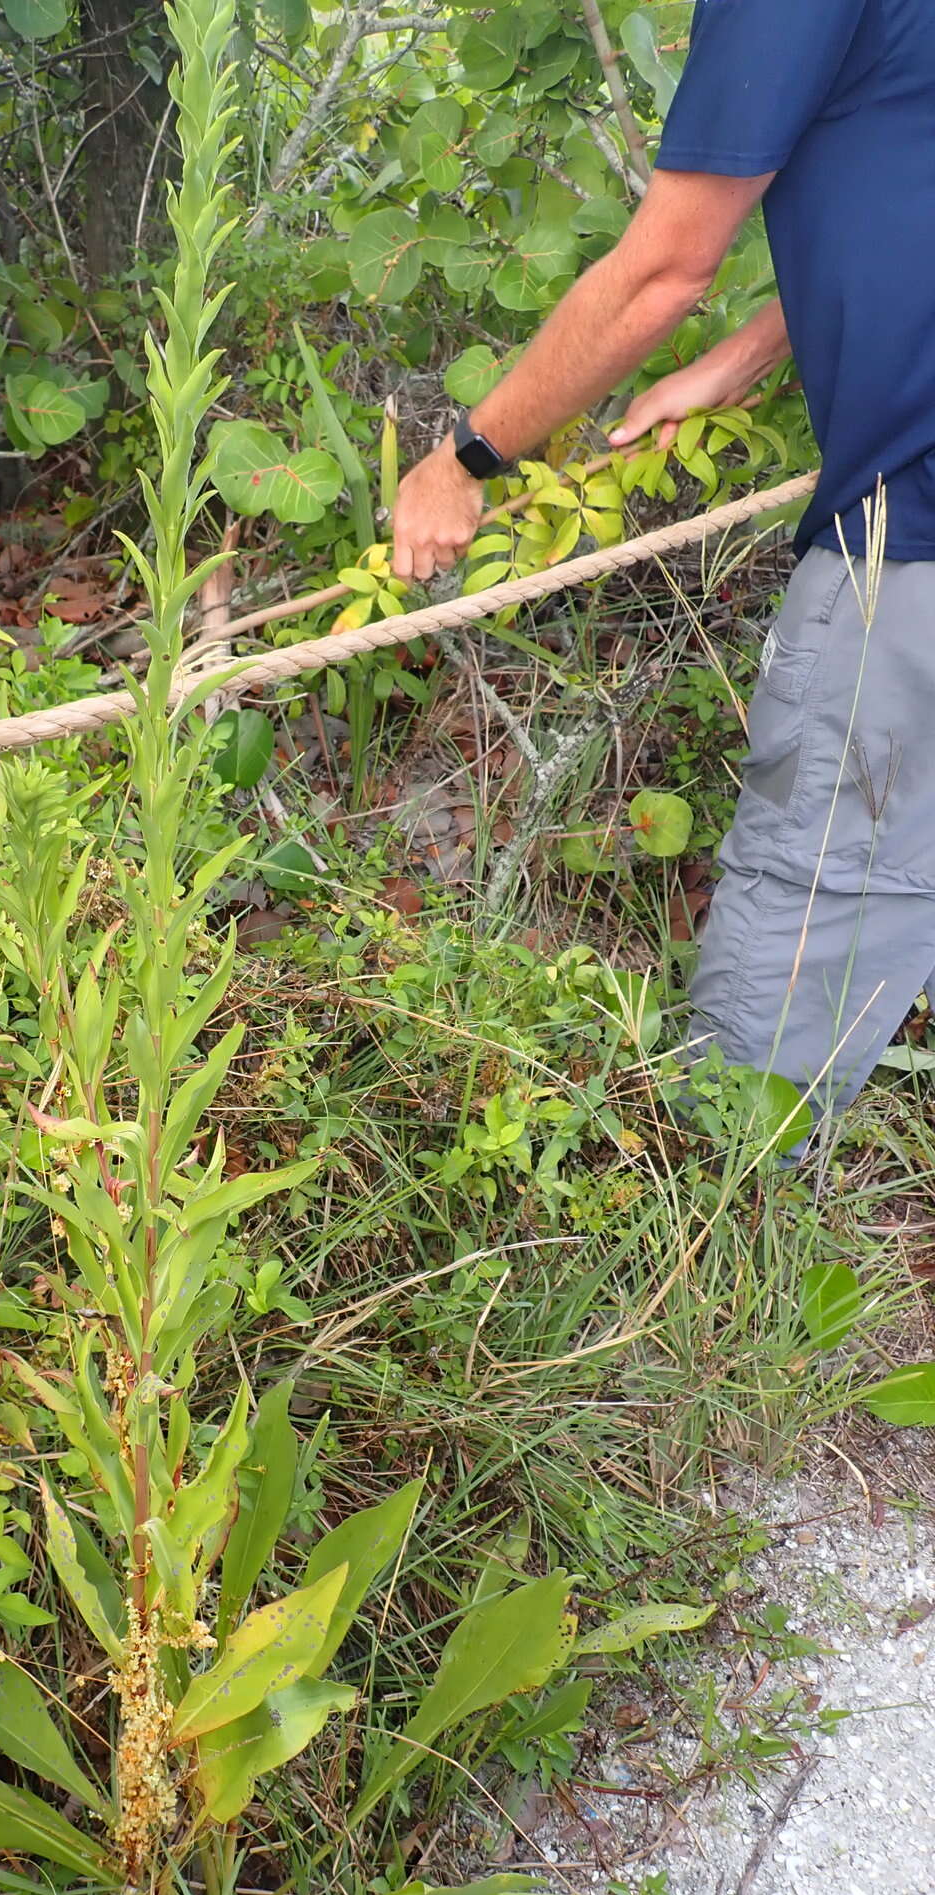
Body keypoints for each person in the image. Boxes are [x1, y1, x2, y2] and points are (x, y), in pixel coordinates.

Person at [391, 0, 935, 1134]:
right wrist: (751, 351)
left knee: (813, 894)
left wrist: (466, 458)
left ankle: (719, 1235)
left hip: (914, 517)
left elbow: (663, 271)